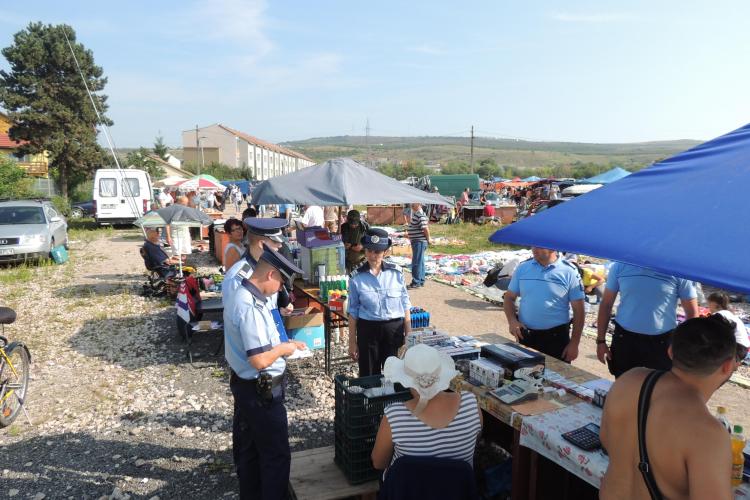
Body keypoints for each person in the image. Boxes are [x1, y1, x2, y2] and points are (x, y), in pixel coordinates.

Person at [600, 315, 741, 500]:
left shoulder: (628, 380)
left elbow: (606, 441)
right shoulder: (708, 433)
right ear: (728, 366)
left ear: (670, 351)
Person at [223, 244, 307, 500]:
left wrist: (288, 344)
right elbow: (259, 360)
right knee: (275, 456)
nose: (281, 289)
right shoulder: (249, 305)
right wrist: (283, 349)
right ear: (271, 274)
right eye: (281, 282)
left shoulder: (247, 296)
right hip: (261, 391)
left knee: (250, 451)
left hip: (248, 387)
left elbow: (260, 341)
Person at [371, 344, 483, 472]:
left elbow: (379, 463)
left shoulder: (394, 417)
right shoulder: (470, 404)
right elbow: (476, 440)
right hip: (458, 485)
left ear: (407, 381)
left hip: (408, 485)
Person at [596, 263, 699, 378]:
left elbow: (692, 313)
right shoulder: (620, 266)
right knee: (624, 384)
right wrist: (601, 341)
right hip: (625, 340)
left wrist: (681, 346)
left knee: (658, 387)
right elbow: (606, 304)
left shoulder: (679, 270)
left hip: (662, 344)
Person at [348, 228, 412, 376]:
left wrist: (409, 335)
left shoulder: (396, 273)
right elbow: (353, 311)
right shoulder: (356, 278)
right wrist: (352, 342)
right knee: (369, 375)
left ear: (385, 252)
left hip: (393, 330)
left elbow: (405, 305)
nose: (372, 255)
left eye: (377, 252)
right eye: (369, 250)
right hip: (368, 330)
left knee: (397, 376)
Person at [503, 247, 585, 362]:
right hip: (526, 336)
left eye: (539, 246)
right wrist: (512, 321)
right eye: (533, 245)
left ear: (552, 247)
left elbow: (579, 311)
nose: (534, 249)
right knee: (524, 372)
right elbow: (509, 298)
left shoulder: (569, 271)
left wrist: (574, 343)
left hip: (556, 339)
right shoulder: (523, 268)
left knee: (556, 373)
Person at [223, 218, 293, 329]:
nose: (280, 246)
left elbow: (265, 306)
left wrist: (279, 310)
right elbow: (236, 318)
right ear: (262, 244)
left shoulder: (265, 268)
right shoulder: (237, 277)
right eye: (275, 242)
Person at [406, 203, 430, 289]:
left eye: (414, 204)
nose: (412, 205)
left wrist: (428, 239)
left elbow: (425, 228)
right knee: (420, 262)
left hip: (419, 241)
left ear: (419, 204)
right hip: (418, 241)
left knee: (416, 262)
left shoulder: (420, 215)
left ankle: (416, 282)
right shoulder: (418, 214)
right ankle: (420, 280)